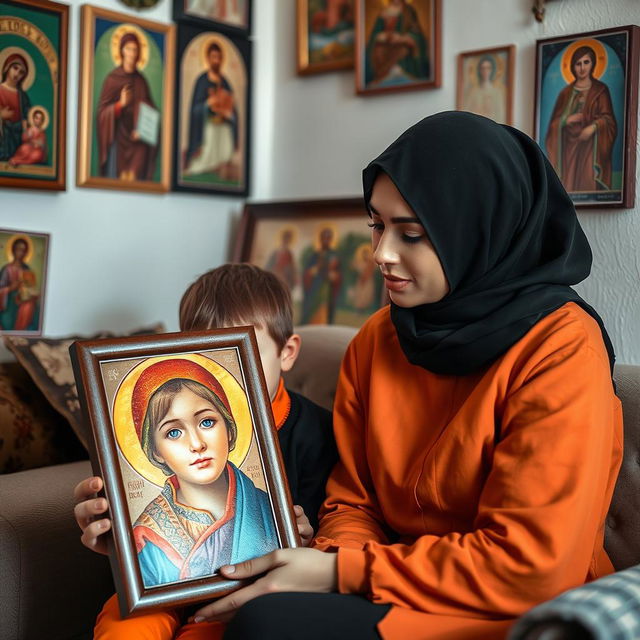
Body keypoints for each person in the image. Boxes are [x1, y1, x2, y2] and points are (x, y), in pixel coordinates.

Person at [180, 111, 622, 640]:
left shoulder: (561, 347)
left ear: (477, 231)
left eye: (410, 233)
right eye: (377, 225)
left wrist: (341, 571)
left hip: (519, 610)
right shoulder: (377, 340)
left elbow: (532, 565)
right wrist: (334, 557)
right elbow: (351, 502)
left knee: (267, 622)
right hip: (393, 587)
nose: (380, 254)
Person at [73, 263, 337, 639]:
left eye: (249, 354)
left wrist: (307, 540)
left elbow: (333, 537)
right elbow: (140, 539)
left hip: (256, 593)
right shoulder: (169, 431)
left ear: (287, 353)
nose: (237, 373)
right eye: (215, 357)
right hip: (163, 590)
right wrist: (116, 539)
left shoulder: (319, 433)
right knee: (123, 626)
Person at [126, 358, 278, 588]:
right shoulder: (148, 536)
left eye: (207, 422)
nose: (197, 444)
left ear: (228, 428)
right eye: (174, 433)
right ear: (156, 451)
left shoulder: (269, 508)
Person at [545, 45, 617, 193]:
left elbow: (608, 119)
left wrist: (593, 127)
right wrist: (567, 120)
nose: (582, 67)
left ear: (593, 64)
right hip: (568, 147)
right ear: (572, 67)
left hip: (591, 145)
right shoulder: (565, 93)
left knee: (588, 179)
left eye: (586, 62)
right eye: (578, 63)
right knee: (568, 182)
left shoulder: (601, 90)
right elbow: (554, 124)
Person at [96, 32, 158, 181]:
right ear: (121, 51)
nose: (132, 53)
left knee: (137, 179)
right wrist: (119, 105)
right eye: (128, 49)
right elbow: (102, 113)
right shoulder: (112, 79)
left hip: (138, 139)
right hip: (118, 136)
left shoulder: (141, 81)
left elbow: (151, 112)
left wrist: (143, 129)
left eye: (135, 50)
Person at [183, 42, 238, 180]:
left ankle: (221, 168)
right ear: (207, 58)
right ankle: (202, 167)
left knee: (226, 145)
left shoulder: (225, 82)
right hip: (207, 124)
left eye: (219, 58)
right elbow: (195, 109)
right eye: (214, 57)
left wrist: (229, 115)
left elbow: (233, 108)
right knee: (209, 139)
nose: (216, 61)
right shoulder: (202, 81)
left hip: (223, 124)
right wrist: (208, 104)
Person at [365, 0, 430, 88]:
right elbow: (374, 36)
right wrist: (380, 37)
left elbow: (417, 35)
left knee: (401, 52)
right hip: (384, 49)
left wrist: (403, 38)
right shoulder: (383, 13)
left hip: (403, 51)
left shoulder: (408, 11)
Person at [301, 227, 342, 324]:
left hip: (327, 289)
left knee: (325, 310)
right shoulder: (314, 255)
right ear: (320, 239)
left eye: (328, 238)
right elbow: (307, 273)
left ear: (331, 240)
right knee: (312, 308)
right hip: (315, 287)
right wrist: (314, 269)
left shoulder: (334, 255)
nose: (326, 240)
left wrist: (334, 276)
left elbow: (339, 275)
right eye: (324, 238)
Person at [0, 237, 40, 332]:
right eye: (18, 249)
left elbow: (31, 286)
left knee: (30, 304)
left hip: (24, 297)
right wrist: (11, 288)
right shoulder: (7, 269)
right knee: (26, 305)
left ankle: (23, 332)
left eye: (23, 250)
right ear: (13, 250)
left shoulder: (27, 269)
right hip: (9, 301)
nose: (20, 253)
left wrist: (32, 293)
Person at [0, 52, 31, 162]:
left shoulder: (22, 96)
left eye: (21, 72)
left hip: (18, 136)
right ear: (7, 68)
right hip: (2, 136)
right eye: (15, 68)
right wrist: (1, 116)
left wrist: (25, 121)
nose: (17, 73)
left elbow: (28, 115)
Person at [464, 55, 507, 124]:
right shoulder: (473, 92)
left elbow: (499, 115)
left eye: (488, 68)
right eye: (483, 68)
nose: (485, 71)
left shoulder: (497, 92)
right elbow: (466, 113)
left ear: (492, 70)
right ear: (479, 70)